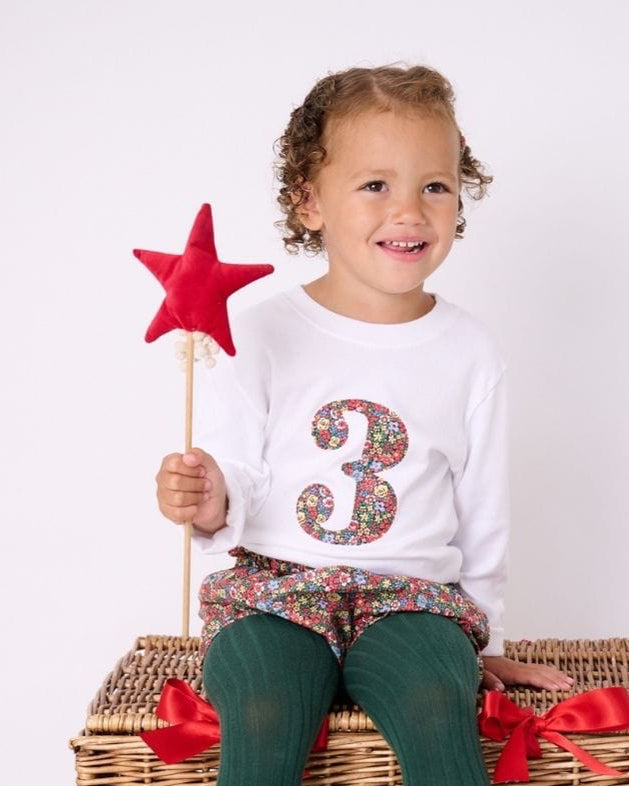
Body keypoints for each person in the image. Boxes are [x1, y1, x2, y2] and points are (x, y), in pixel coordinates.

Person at [155, 62, 574, 786]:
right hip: (274, 594)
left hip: (409, 600)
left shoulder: (468, 350)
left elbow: (481, 513)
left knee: (434, 700)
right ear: (308, 201)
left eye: (433, 186)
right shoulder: (255, 333)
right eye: (375, 185)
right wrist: (208, 495)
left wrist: (483, 641)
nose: (408, 211)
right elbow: (240, 472)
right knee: (262, 708)